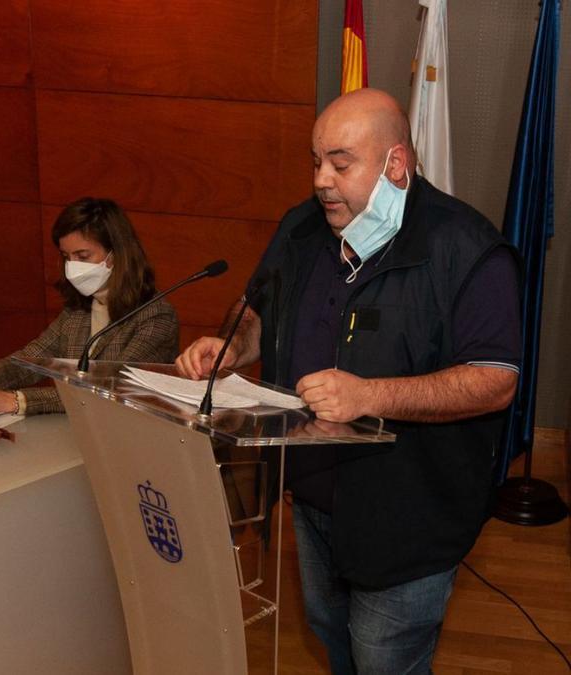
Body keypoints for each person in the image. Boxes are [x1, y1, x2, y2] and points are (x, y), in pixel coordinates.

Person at [176, 88, 520, 674]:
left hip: (408, 517)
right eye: (316, 162)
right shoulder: (302, 228)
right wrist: (232, 346)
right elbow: (259, 310)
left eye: (340, 162)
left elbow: (495, 380)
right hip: (311, 498)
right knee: (334, 639)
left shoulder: (465, 247)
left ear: (395, 163)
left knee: (385, 659)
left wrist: (370, 396)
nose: (321, 180)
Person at [0, 197, 180, 414]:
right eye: (66, 257)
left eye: (83, 257)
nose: (72, 267)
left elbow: (108, 392)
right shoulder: (79, 310)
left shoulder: (155, 318)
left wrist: (15, 401)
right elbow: (33, 358)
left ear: (116, 255)